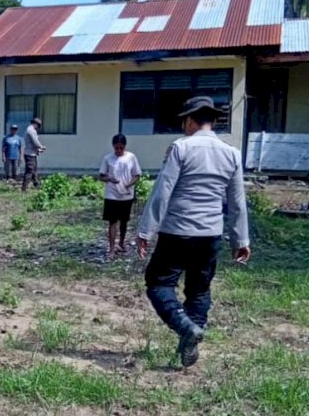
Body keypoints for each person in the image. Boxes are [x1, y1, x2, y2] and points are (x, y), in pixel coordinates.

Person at [137, 96, 251, 368]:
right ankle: (190, 336)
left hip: (177, 231)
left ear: (190, 120)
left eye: (183, 121)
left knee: (158, 283)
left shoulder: (181, 148)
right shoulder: (231, 153)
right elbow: (237, 201)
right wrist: (241, 239)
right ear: (211, 121)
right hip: (210, 234)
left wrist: (146, 230)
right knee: (199, 291)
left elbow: (162, 191)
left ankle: (185, 327)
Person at [99, 134, 141, 257]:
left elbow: (137, 175)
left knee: (124, 221)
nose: (118, 150)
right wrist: (110, 179)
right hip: (112, 194)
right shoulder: (108, 159)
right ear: (113, 147)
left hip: (126, 195)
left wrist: (129, 184)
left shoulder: (131, 157)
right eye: (116, 148)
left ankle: (122, 243)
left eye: (121, 148)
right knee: (112, 222)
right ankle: (112, 248)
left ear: (124, 146)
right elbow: (101, 176)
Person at [22, 117, 46, 192]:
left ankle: (37, 185)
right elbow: (35, 141)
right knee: (29, 171)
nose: (38, 128)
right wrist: (41, 146)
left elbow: (31, 144)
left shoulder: (29, 130)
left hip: (32, 153)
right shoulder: (31, 130)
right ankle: (24, 188)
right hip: (30, 154)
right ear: (35, 124)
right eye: (38, 126)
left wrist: (38, 150)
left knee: (34, 171)